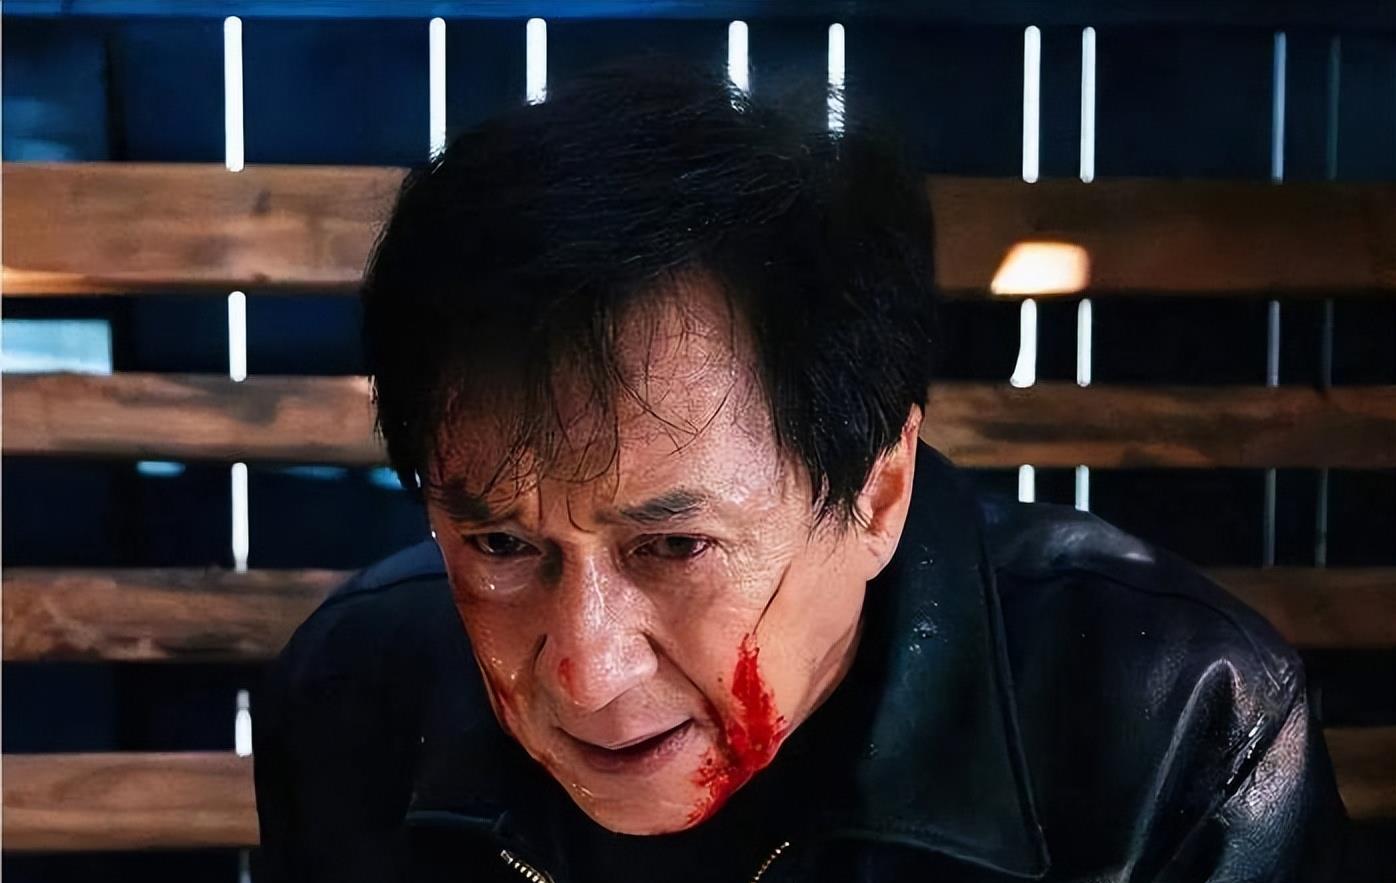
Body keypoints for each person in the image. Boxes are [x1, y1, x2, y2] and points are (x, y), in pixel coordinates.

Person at [252, 61, 1347, 882]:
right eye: (501, 543)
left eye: (673, 545)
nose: (586, 670)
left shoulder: (1177, 727)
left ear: (878, 493)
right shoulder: (354, 694)